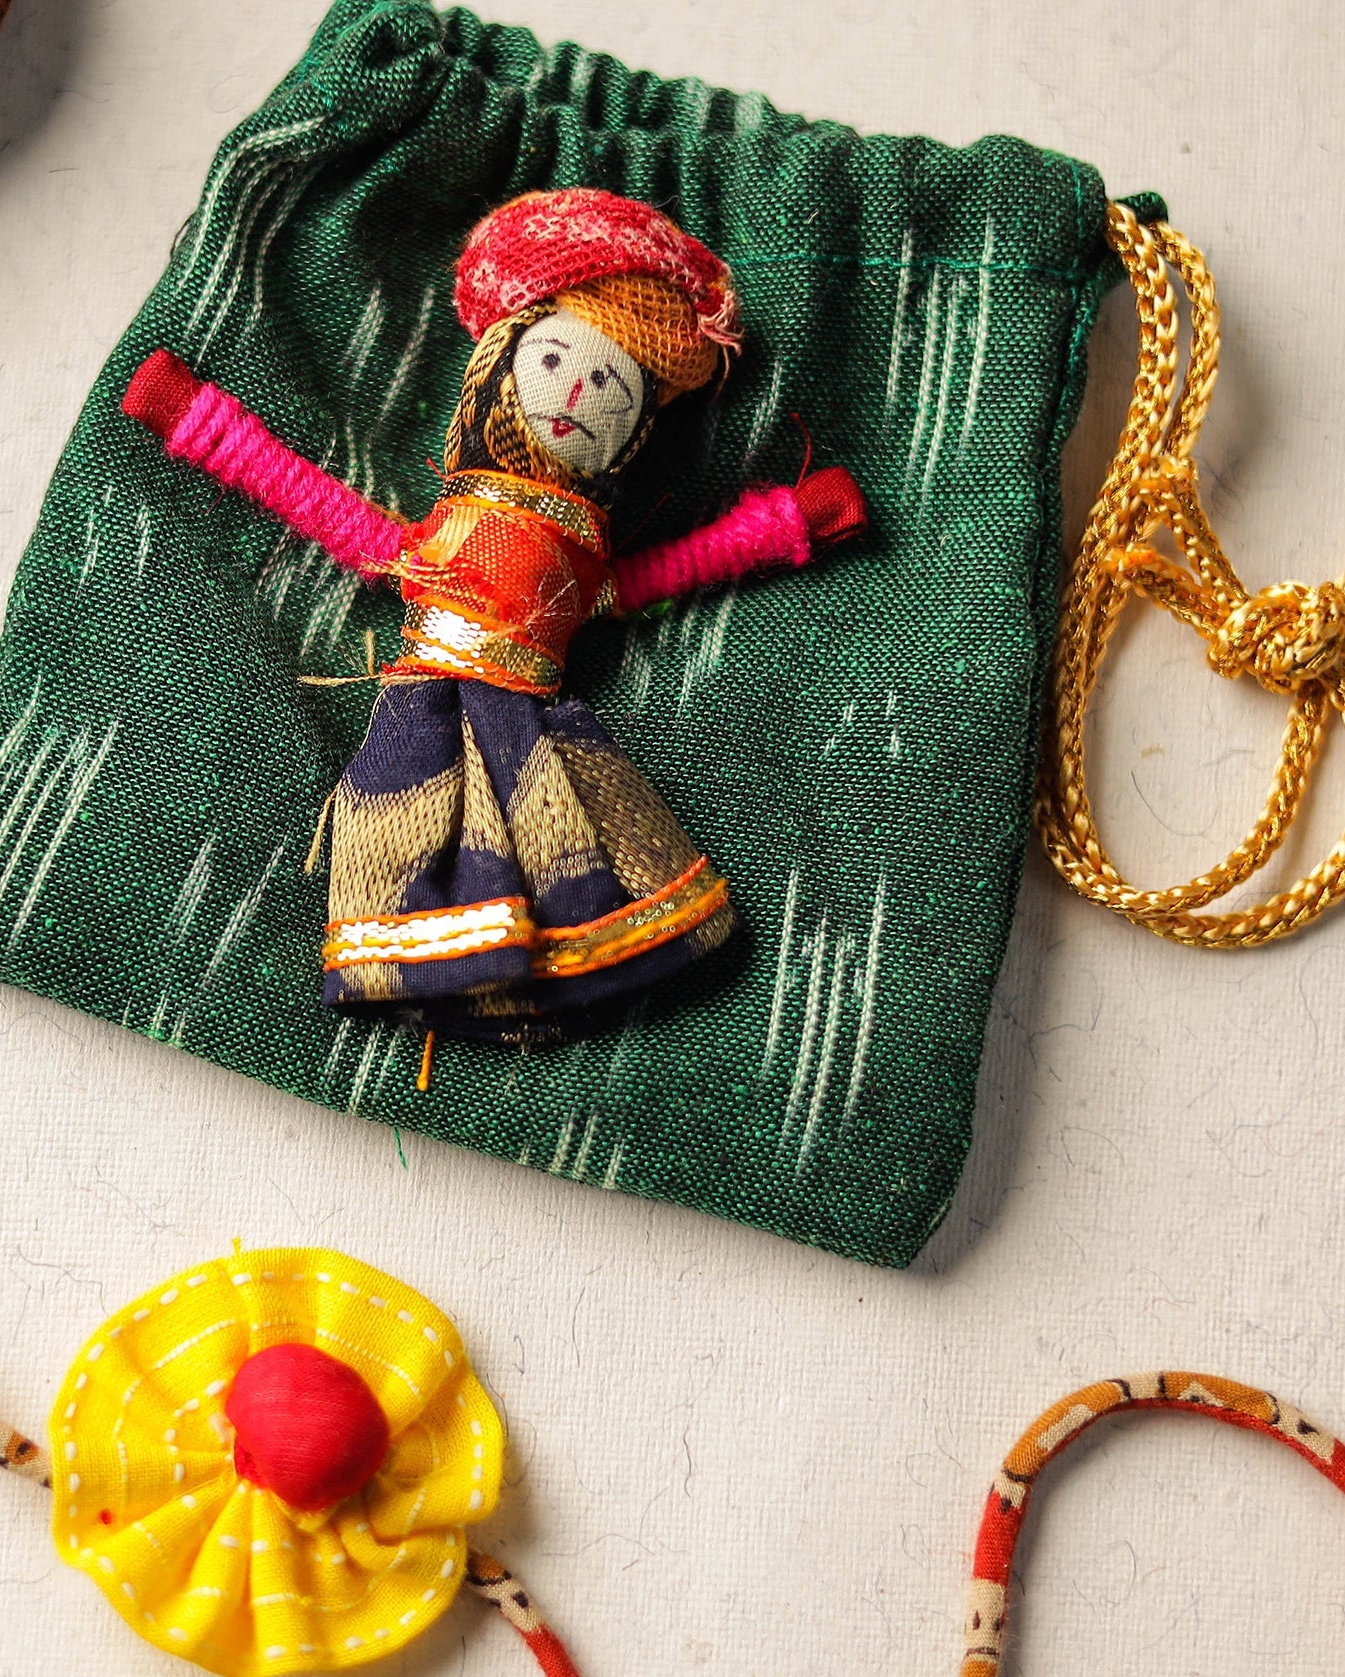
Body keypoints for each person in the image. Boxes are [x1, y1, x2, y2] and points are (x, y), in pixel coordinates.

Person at [123, 187, 865, 1046]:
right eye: (555, 361)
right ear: (500, 366)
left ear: (633, 434)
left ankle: (550, 969)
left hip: (532, 717)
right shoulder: (443, 536)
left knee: (558, 852)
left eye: (607, 384)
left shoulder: (583, 560)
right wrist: (195, 418)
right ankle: (444, 965)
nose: (576, 391)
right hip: (433, 708)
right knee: (415, 832)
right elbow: (314, 501)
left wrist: (784, 527)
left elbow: (662, 573)